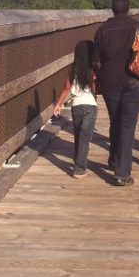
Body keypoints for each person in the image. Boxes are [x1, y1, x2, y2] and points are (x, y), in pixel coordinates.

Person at [93, 0, 139, 186]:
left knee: (115, 121)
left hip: (110, 83)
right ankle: (122, 173)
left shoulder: (102, 30)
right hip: (134, 83)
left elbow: (96, 61)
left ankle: (114, 159)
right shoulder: (138, 26)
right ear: (128, 8)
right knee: (127, 125)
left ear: (112, 9)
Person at [52, 40, 98, 178]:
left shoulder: (73, 69)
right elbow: (95, 90)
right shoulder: (93, 68)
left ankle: (78, 162)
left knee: (79, 136)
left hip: (76, 106)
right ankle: (79, 168)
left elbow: (66, 87)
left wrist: (58, 104)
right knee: (85, 137)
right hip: (90, 105)